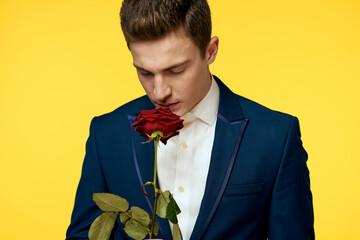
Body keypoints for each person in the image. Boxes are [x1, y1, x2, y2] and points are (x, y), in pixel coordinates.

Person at [66, 0, 314, 239]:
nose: (160, 92)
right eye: (145, 73)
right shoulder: (106, 134)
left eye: (176, 71)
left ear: (210, 51)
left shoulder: (276, 137)